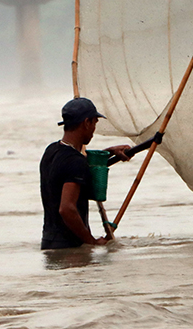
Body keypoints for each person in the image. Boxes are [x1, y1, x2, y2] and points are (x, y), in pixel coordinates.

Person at [40, 97, 132, 249]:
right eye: (95, 123)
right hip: (69, 247)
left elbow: (78, 161)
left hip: (49, 243)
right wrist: (92, 241)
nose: (94, 130)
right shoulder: (75, 162)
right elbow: (67, 209)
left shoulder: (51, 151)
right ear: (86, 122)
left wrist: (109, 152)